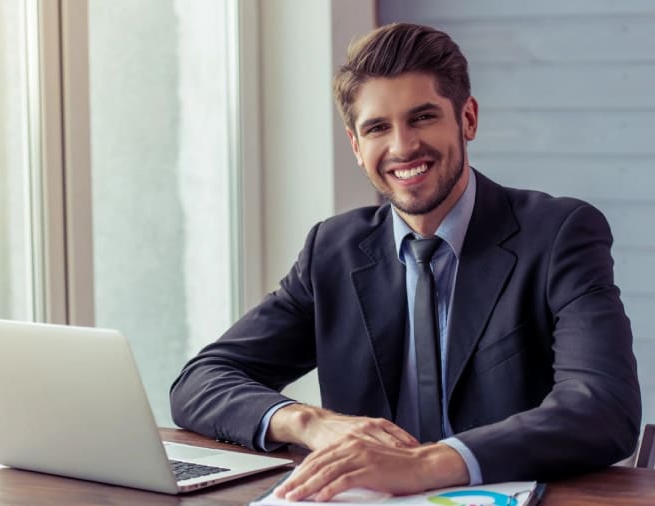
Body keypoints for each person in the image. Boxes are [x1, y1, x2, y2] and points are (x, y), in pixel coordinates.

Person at [170, 22, 641, 502]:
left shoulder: (559, 233)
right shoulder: (332, 250)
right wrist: (310, 422)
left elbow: (603, 407)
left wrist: (428, 464)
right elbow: (201, 381)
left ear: (468, 119)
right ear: (356, 146)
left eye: (422, 118)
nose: (402, 147)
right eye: (377, 128)